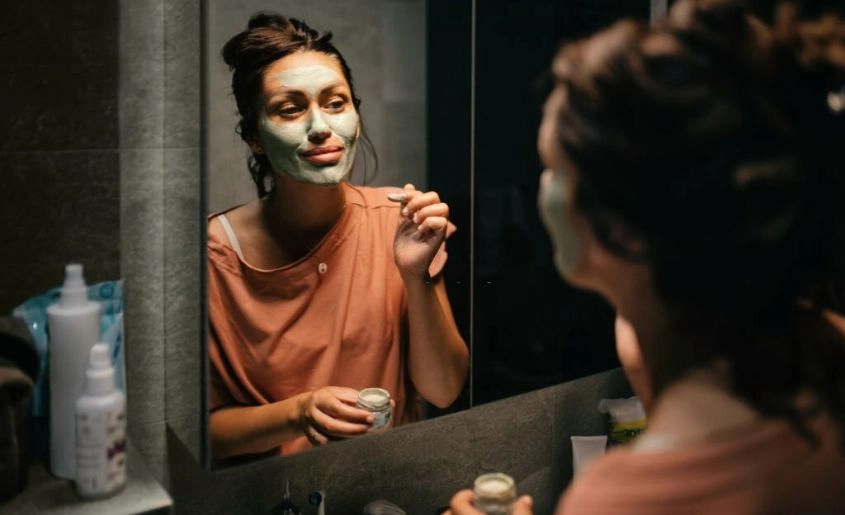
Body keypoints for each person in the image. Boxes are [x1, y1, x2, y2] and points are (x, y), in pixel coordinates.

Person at [449, 0, 845, 512]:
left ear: (624, 230)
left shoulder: (628, 499)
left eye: (555, 171)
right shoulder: (828, 343)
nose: (539, 191)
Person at [207, 13, 469, 460]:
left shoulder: (397, 221)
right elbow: (201, 433)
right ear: (254, 136)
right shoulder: (216, 255)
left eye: (335, 103)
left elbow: (444, 390)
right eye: (290, 108)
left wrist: (415, 276)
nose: (320, 127)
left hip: (389, 486)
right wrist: (299, 414)